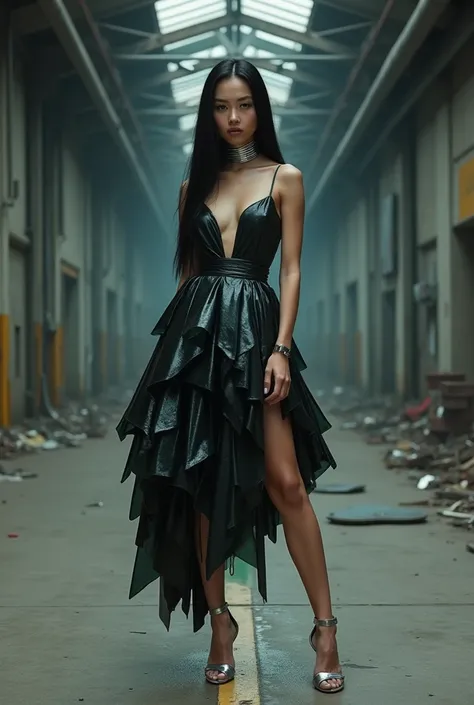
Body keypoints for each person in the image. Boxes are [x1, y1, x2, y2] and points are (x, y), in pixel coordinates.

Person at [117, 58, 344, 694]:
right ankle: (220, 625)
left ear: (260, 109)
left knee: (286, 481)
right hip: (196, 342)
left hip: (257, 337)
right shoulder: (194, 186)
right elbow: (189, 274)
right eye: (221, 106)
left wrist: (280, 347)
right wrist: (173, 363)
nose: (234, 117)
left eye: (244, 104)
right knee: (199, 480)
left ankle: (324, 626)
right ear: (208, 114)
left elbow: (292, 269)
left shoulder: (286, 178)